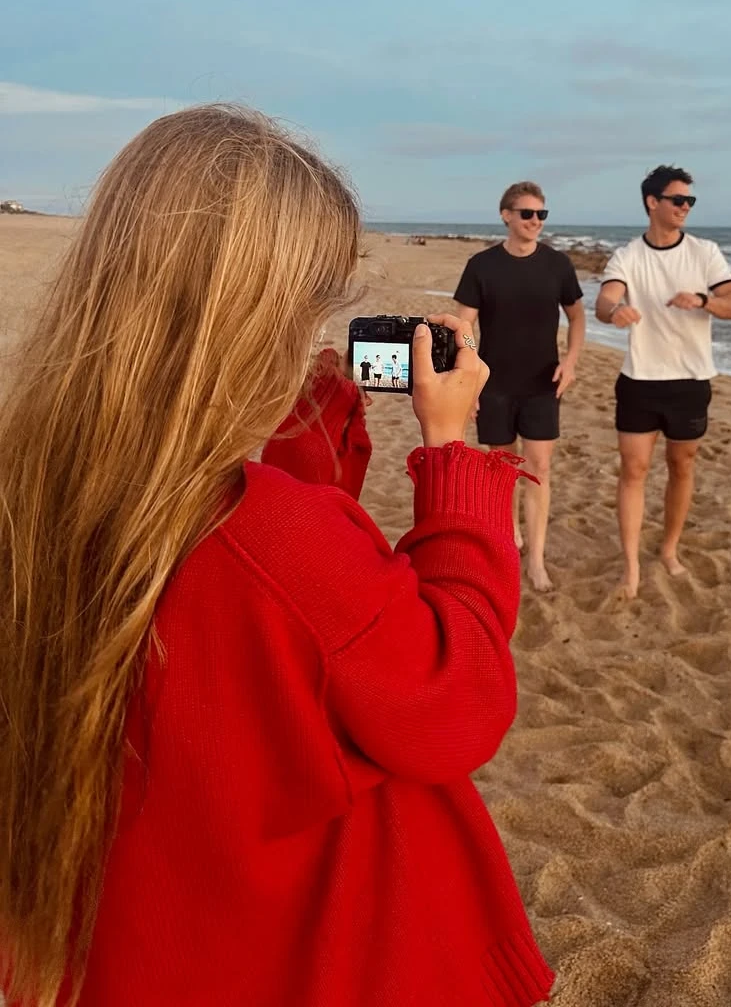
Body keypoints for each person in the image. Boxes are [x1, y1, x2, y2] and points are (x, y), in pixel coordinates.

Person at [0, 106, 554, 1007]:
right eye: (304, 312)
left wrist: (306, 436)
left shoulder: (41, 497)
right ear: (250, 321)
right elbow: (459, 700)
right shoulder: (275, 538)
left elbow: (277, 634)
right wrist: (453, 460)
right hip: (318, 955)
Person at [595, 165, 731, 598]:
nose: (685, 208)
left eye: (689, 201)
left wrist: (703, 300)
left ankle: (670, 549)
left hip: (691, 380)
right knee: (634, 470)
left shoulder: (704, 253)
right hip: (640, 380)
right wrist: (614, 310)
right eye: (678, 200)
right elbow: (606, 297)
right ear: (651, 203)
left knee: (682, 466)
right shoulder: (628, 256)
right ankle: (630, 567)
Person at [454, 181, 584, 592]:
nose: (535, 222)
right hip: (494, 385)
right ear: (506, 215)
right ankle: (510, 537)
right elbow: (465, 325)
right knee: (502, 468)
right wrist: (469, 374)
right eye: (527, 214)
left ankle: (538, 560)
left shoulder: (558, 265)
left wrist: (571, 361)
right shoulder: (482, 266)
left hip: (543, 383)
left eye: (541, 215)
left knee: (539, 468)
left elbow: (578, 317)